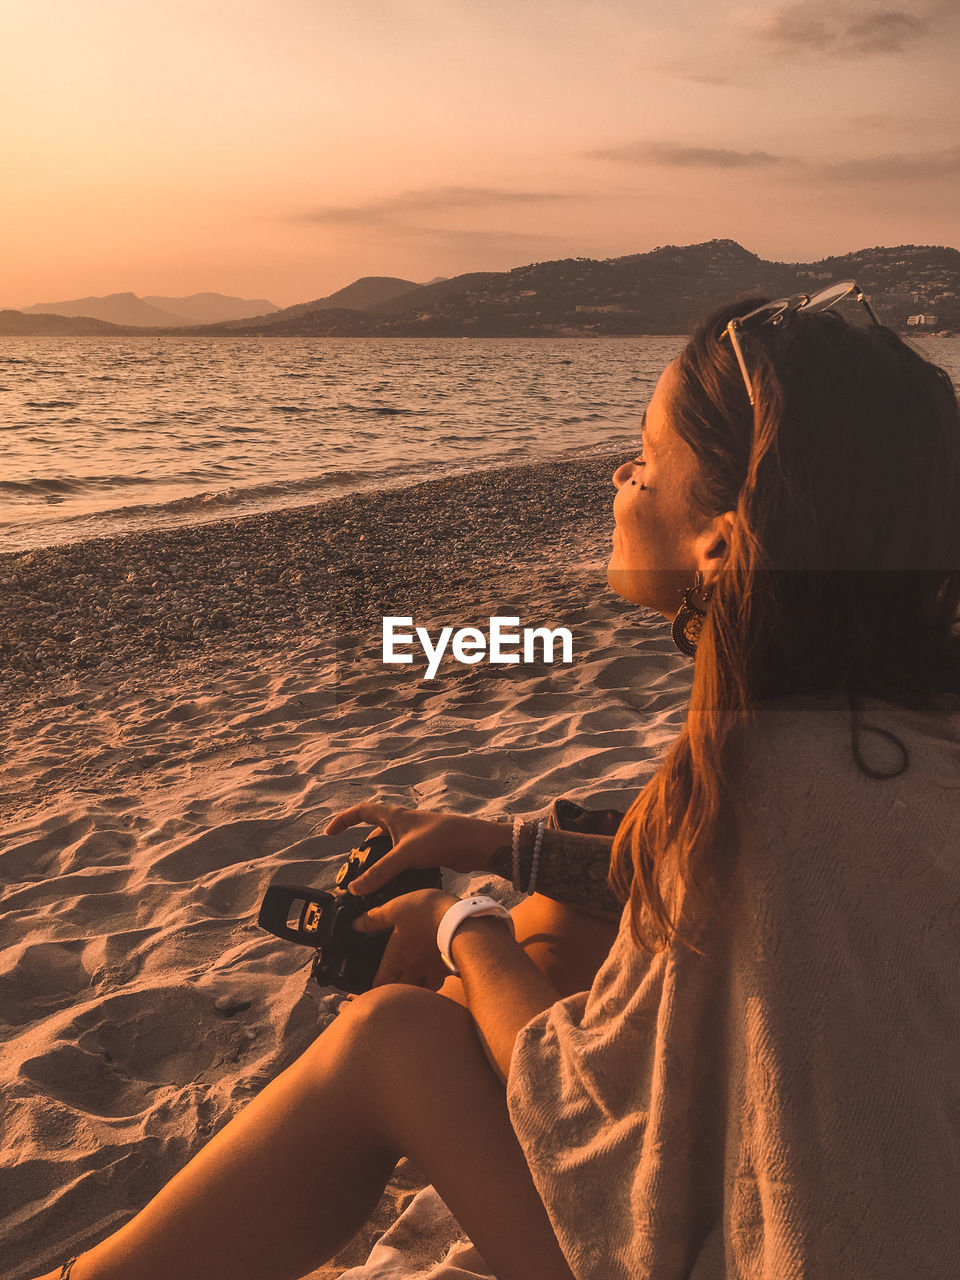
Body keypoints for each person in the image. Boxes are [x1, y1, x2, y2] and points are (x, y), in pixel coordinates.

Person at [37, 285, 960, 1280]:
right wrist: (501, 846)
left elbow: (593, 1120)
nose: (619, 480)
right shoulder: (892, 734)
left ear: (722, 539)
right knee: (561, 927)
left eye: (645, 466)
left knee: (398, 1037)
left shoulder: (770, 778)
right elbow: (734, 904)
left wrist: (458, 922)